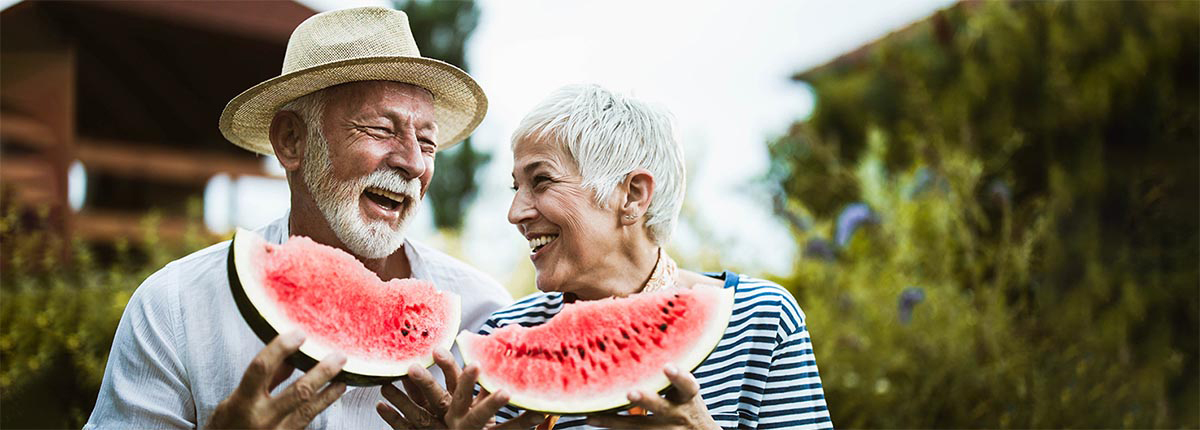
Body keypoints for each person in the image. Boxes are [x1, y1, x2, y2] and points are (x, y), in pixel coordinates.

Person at [84, 7, 517, 429]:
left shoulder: (486, 318)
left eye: (426, 142)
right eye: (381, 129)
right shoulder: (174, 308)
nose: (414, 163)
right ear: (291, 140)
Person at [379, 84, 833, 429]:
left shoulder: (760, 320)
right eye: (515, 187)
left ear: (633, 195)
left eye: (542, 181)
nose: (515, 212)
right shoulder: (503, 335)